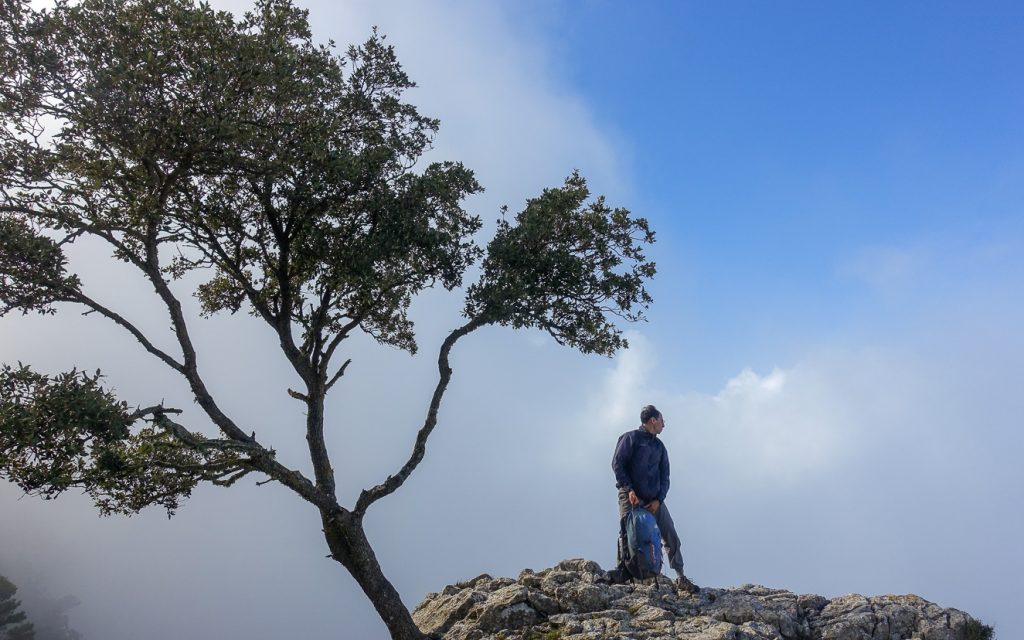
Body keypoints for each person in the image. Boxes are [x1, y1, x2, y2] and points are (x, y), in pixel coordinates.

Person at [610, 404, 699, 593]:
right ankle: (622, 573)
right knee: (627, 532)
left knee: (670, 534)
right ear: (653, 420)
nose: (664, 424)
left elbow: (665, 476)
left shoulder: (659, 446)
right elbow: (618, 464)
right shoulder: (630, 438)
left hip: (654, 500)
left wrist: (659, 499)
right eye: (662, 420)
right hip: (630, 496)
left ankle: (681, 576)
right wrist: (629, 490)